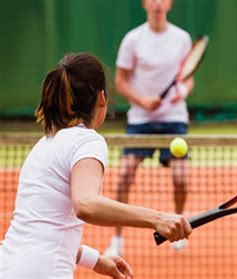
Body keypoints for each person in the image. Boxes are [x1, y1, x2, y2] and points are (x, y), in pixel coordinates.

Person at [0, 53, 192, 279]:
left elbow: (42, 233)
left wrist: (96, 260)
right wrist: (158, 218)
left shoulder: (44, 145)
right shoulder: (87, 141)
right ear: (102, 97)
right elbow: (85, 204)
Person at [105, 0, 194, 255]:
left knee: (180, 179)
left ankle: (177, 225)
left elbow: (188, 78)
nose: (157, 3)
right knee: (123, 178)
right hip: (140, 121)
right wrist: (142, 100)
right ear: (145, 3)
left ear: (170, 4)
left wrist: (183, 91)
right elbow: (120, 81)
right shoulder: (133, 39)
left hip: (174, 119)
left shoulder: (182, 38)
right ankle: (117, 240)